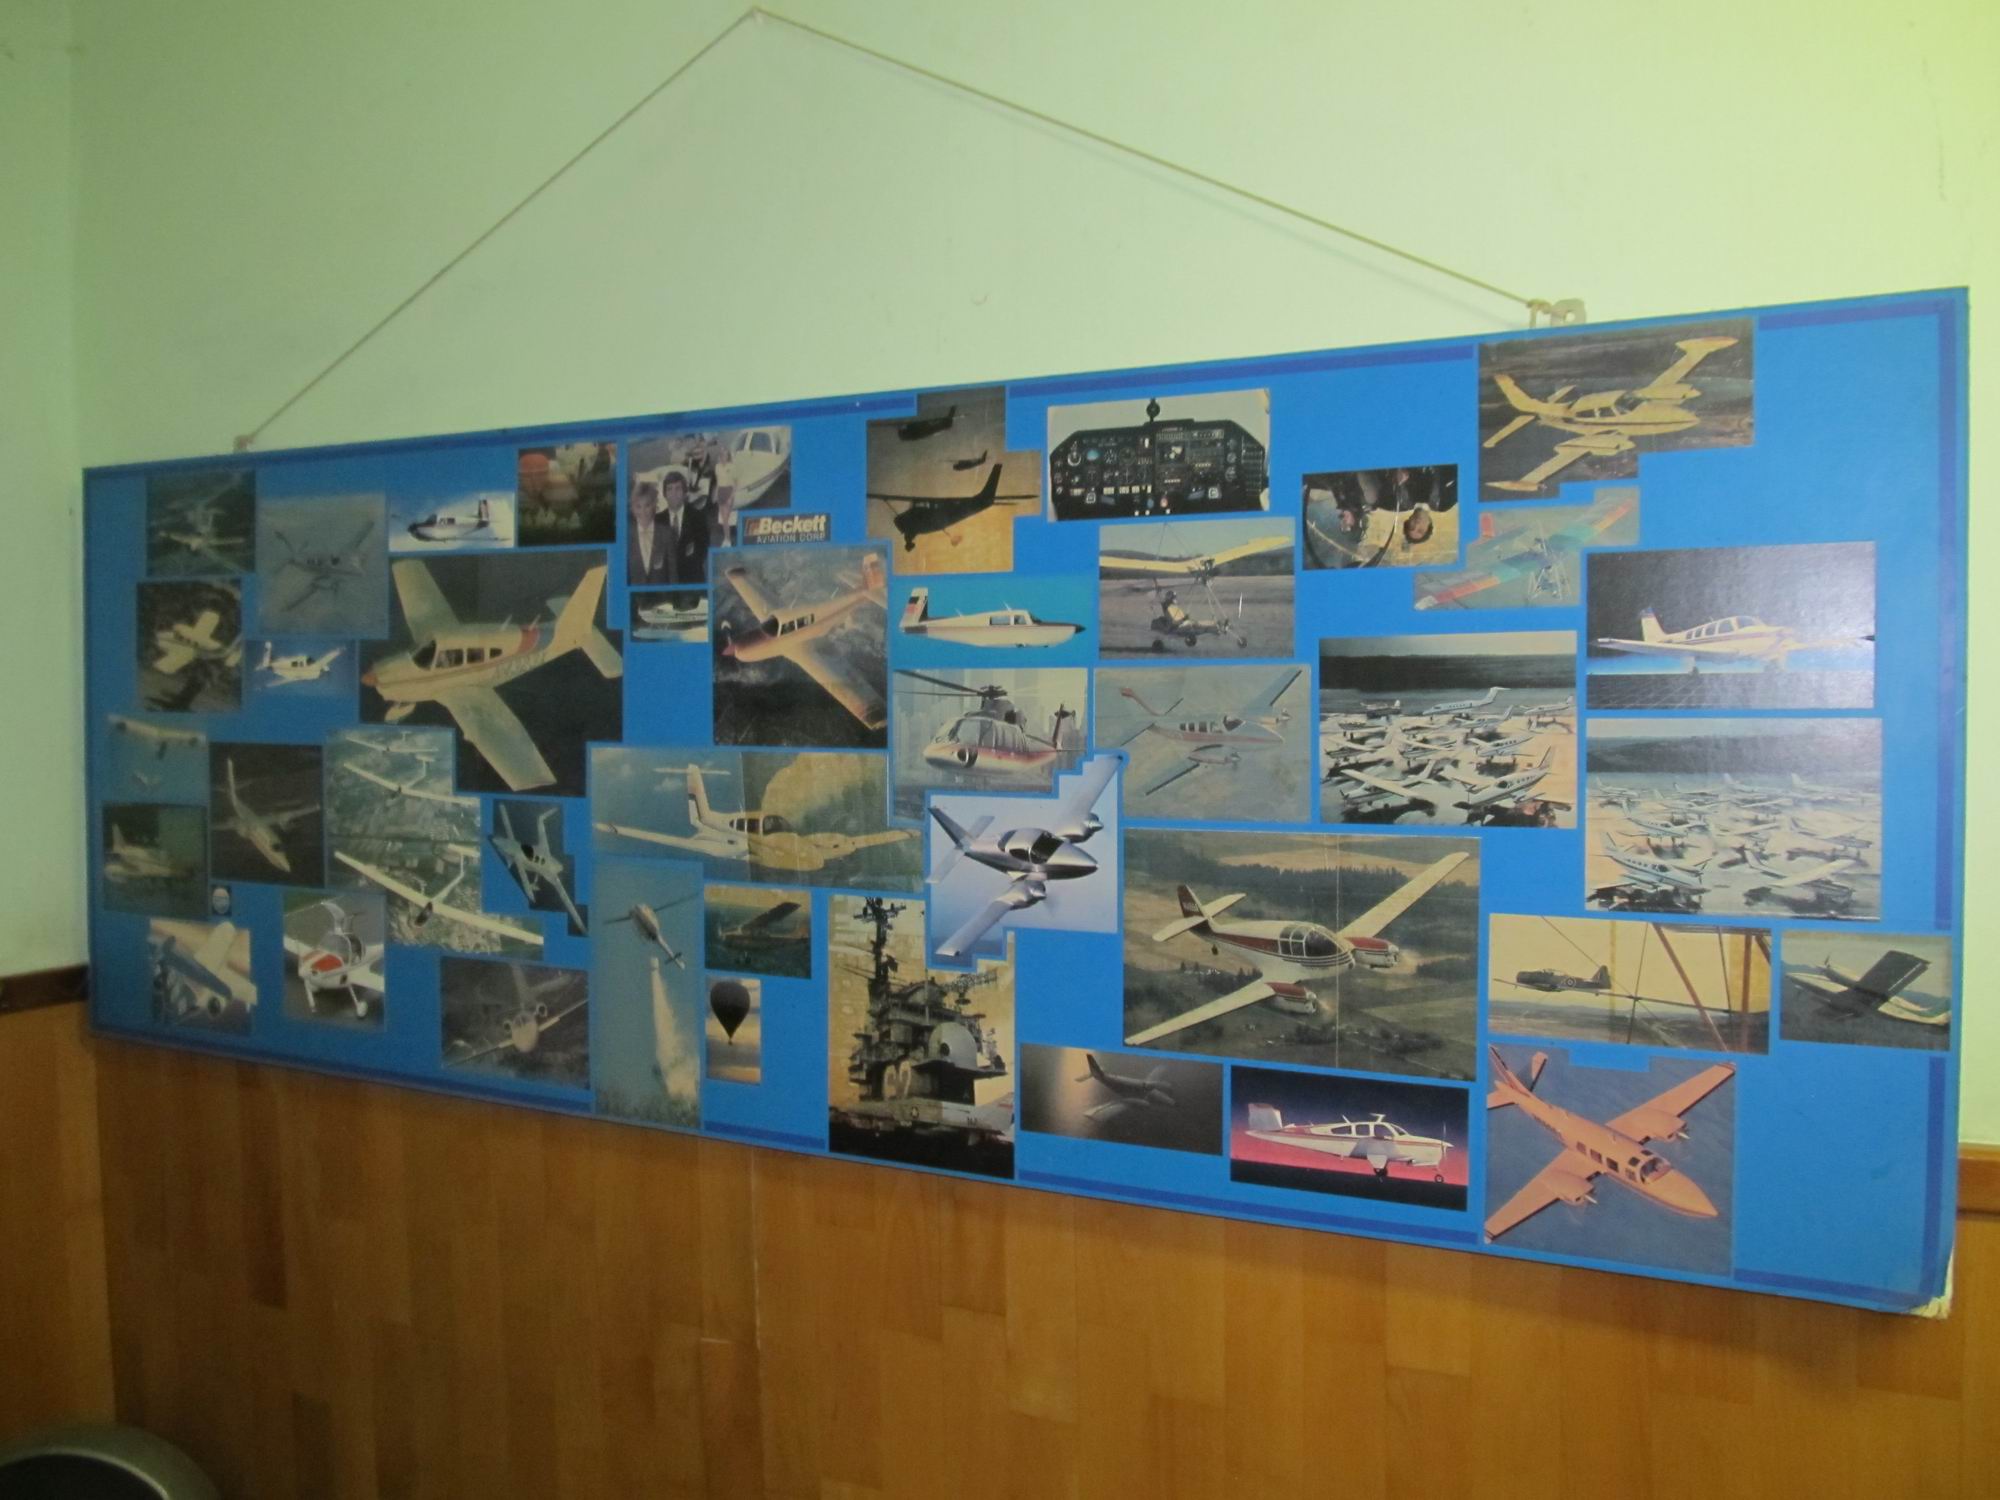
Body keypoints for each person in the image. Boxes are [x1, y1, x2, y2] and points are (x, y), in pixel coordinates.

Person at [627, 466, 709, 584]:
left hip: (692, 579)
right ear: (664, 494)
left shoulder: (698, 517)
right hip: (666, 582)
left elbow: (702, 551)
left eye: (678, 488)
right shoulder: (657, 520)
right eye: (669, 489)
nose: (673, 493)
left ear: (685, 492)